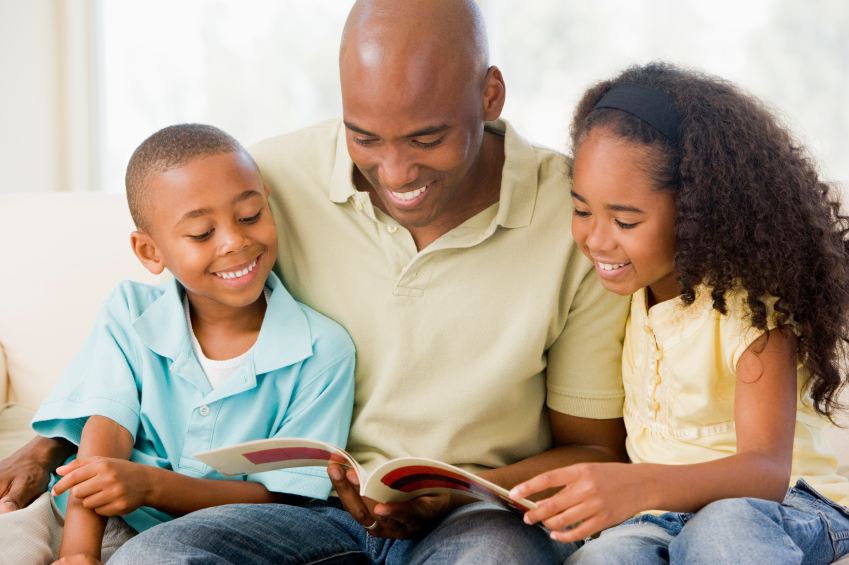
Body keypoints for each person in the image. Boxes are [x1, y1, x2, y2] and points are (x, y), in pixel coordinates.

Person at [0, 1, 631, 563]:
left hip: (472, 516)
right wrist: (47, 447)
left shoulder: (577, 218)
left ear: (490, 94)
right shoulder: (262, 187)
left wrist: (447, 495)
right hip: (292, 509)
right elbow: (152, 334)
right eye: (365, 136)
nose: (396, 170)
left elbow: (594, 451)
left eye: (428, 137)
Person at [509, 62, 849, 564]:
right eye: (582, 210)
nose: (597, 240)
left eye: (625, 220)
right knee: (603, 557)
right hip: (656, 517)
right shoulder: (620, 296)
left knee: (722, 527)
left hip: (785, 505)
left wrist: (638, 484)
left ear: (696, 210)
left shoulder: (751, 312)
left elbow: (766, 471)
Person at [0, 124, 356, 564]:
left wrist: (151, 486)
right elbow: (105, 433)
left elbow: (283, 499)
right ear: (151, 252)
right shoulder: (129, 313)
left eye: (249, 216)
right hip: (90, 514)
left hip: (223, 530)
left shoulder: (323, 350)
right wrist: (78, 554)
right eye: (203, 233)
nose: (235, 241)